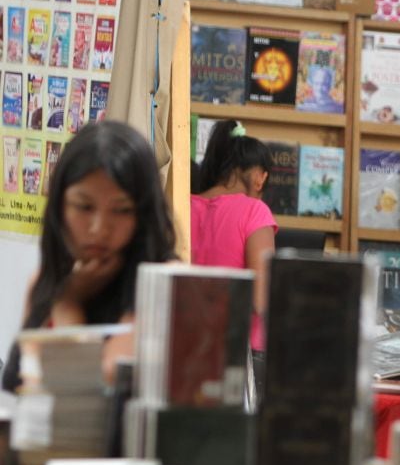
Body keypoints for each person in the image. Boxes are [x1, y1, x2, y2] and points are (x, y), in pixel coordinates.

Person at [2, 122, 177, 392]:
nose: (99, 229)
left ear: (142, 214)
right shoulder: (44, 280)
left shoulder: (164, 282)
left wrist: (67, 303)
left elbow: (94, 390)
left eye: (120, 210)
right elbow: (22, 385)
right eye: (84, 206)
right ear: (60, 205)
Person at [189, 119, 276, 400]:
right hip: (241, 352)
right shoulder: (255, 211)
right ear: (260, 177)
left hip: (187, 346)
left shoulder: (183, 204)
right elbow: (262, 300)